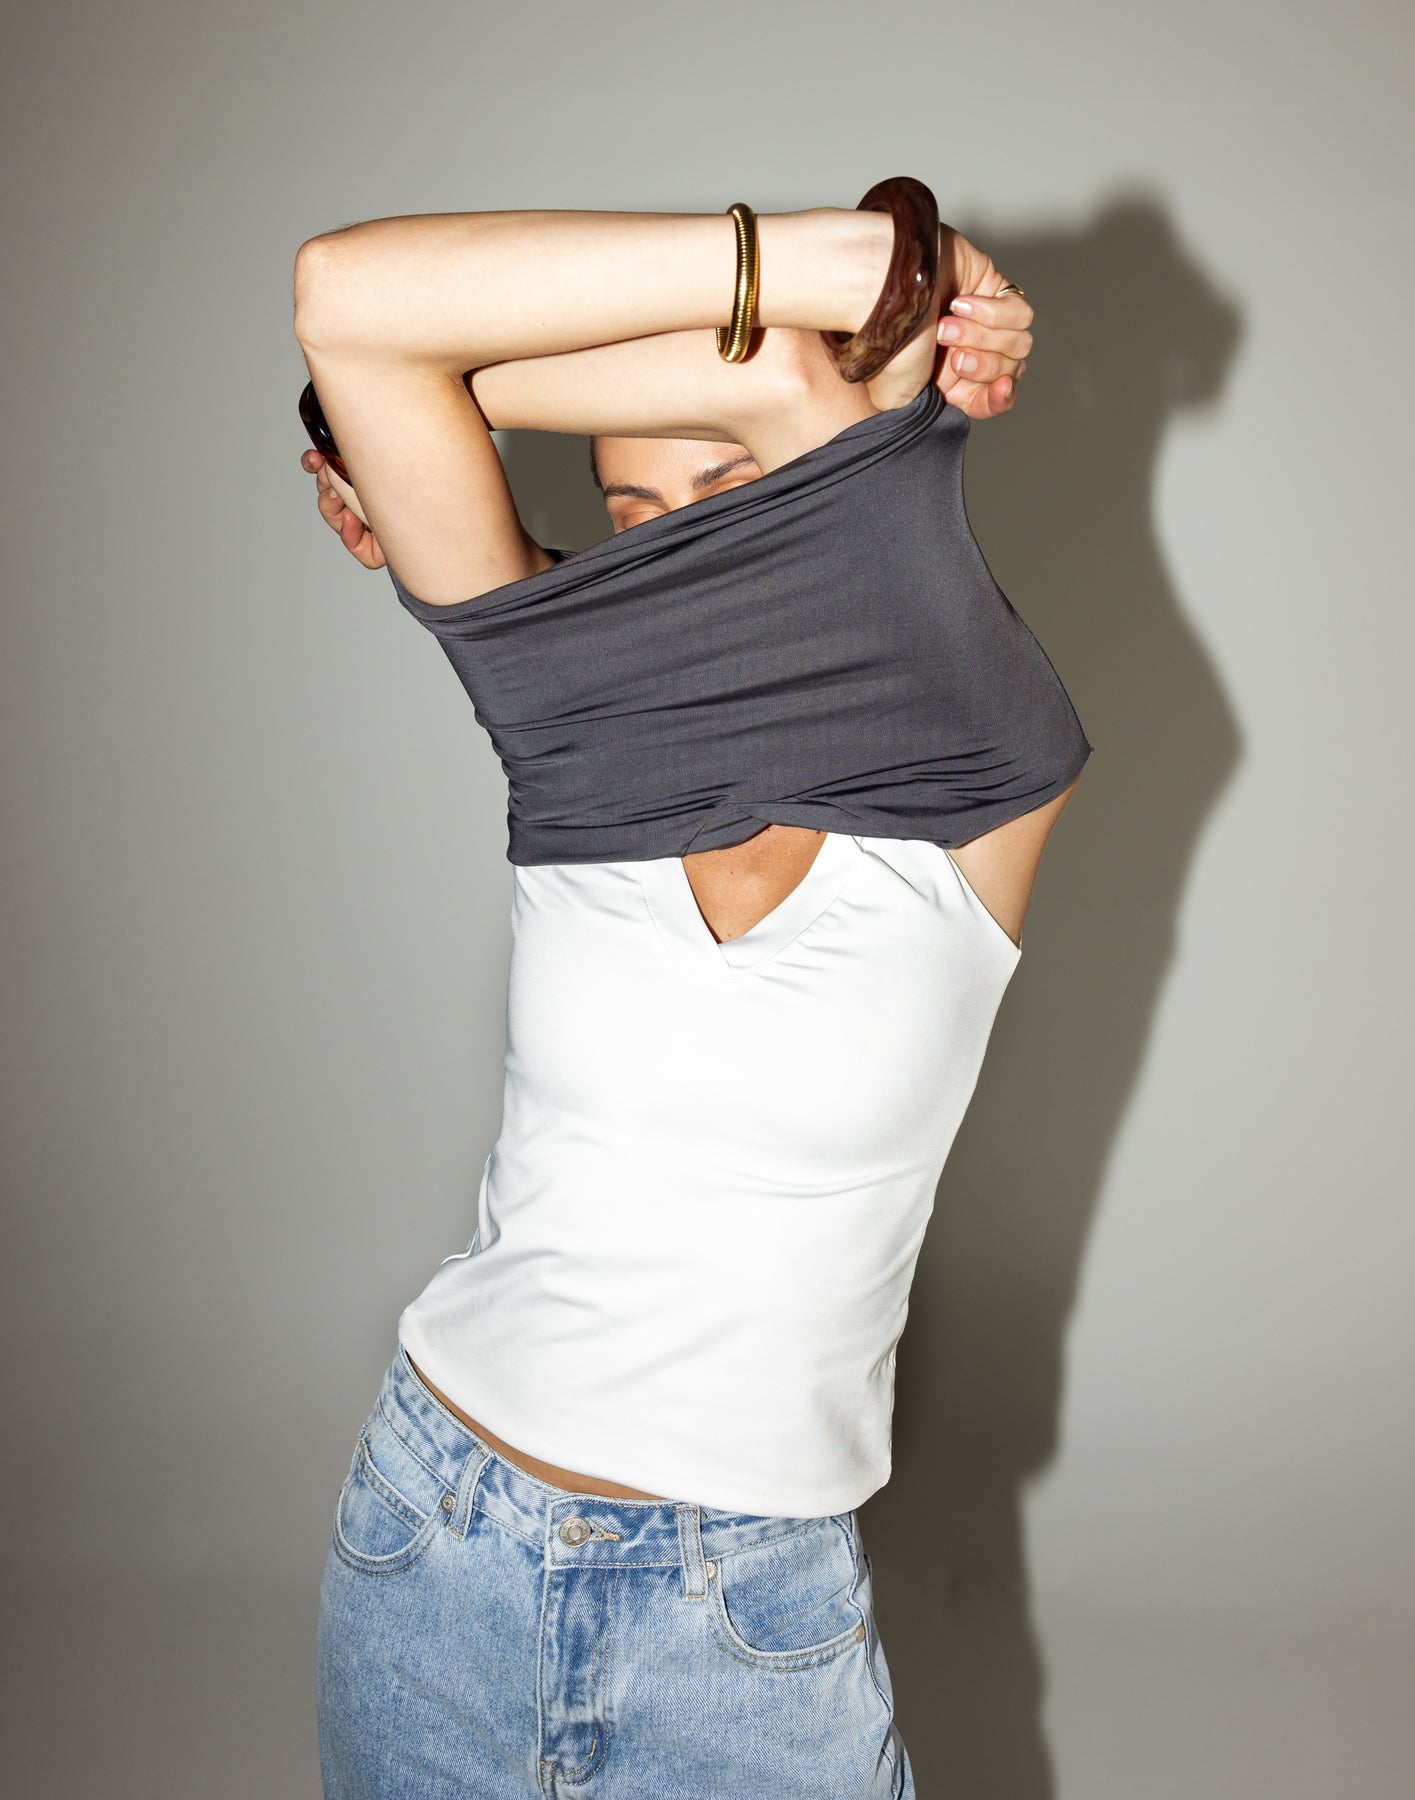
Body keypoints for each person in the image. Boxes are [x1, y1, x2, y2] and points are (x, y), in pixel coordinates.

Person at [294, 195, 1084, 1798]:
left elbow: (792, 385)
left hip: (747, 1624)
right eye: (634, 510)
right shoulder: (573, 718)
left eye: (725, 485)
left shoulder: (981, 774)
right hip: (435, 1545)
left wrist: (895, 306)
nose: (679, 547)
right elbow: (344, 307)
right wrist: (847, 282)